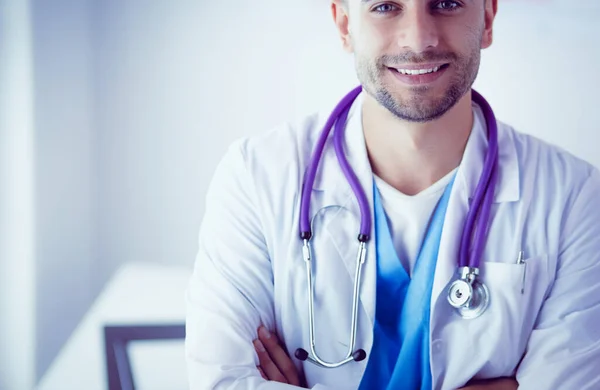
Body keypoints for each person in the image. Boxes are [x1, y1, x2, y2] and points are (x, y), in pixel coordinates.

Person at [185, 0, 600, 389]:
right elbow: (219, 381)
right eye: (386, 6)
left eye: (447, 2)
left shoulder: (573, 198)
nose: (419, 40)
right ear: (346, 24)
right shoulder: (257, 178)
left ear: (488, 18)